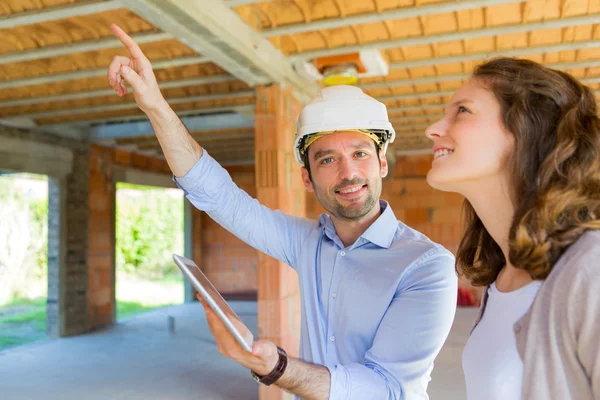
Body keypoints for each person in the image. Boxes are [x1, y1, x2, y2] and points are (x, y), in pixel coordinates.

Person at [107, 23, 457, 399]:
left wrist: (278, 369)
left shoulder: (426, 266)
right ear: (307, 178)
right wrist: (156, 106)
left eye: (359, 153)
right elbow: (220, 197)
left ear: (382, 163)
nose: (348, 172)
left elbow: (385, 389)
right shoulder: (308, 243)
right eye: (327, 159)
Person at [424, 57, 600, 400]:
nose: (432, 128)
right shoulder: (501, 279)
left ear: (525, 131)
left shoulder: (590, 271)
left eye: (462, 111)